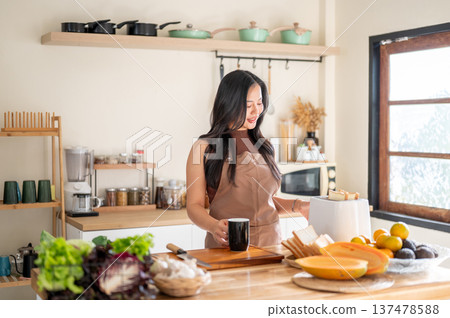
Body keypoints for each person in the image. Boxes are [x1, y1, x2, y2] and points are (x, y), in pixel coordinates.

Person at [186, 70, 309, 248]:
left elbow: (264, 201)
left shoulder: (264, 146)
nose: (256, 111)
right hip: (227, 247)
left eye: (259, 103)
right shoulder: (204, 147)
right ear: (229, 104)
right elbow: (194, 206)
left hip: (271, 247)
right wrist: (214, 227)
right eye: (248, 104)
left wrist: (298, 205)